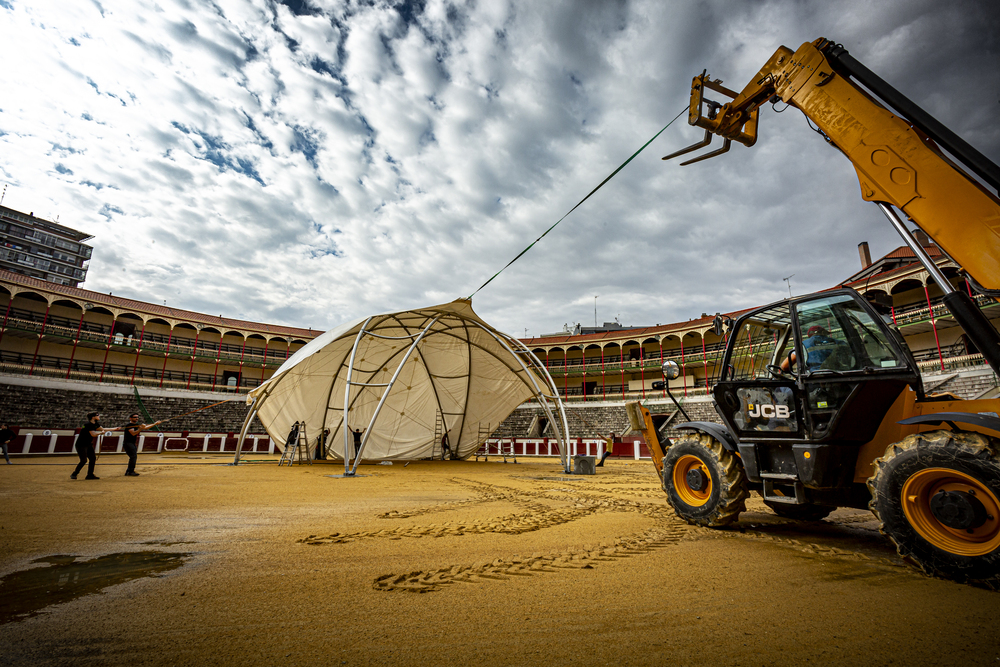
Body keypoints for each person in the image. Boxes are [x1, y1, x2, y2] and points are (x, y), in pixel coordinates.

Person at [72, 412, 120, 480]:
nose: (99, 416)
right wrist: (101, 433)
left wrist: (115, 429)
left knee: (92, 459)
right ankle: (75, 473)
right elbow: (93, 434)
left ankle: (90, 475)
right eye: (97, 415)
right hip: (81, 444)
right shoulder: (88, 424)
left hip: (88, 444)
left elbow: (102, 429)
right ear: (93, 417)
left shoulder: (95, 424)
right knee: (83, 460)